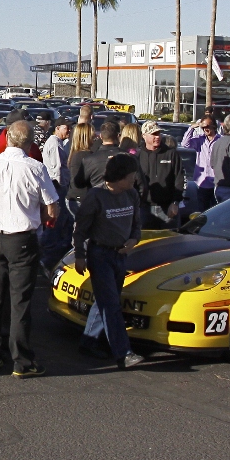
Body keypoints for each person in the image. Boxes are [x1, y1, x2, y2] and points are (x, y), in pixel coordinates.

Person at [0, 119, 59, 378]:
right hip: (21, 239)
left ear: (8, 138)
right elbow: (52, 204)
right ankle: (22, 360)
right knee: (20, 302)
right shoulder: (35, 168)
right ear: (30, 143)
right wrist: (45, 214)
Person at [73, 154, 143, 367]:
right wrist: (79, 255)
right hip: (100, 255)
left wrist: (133, 239)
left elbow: (137, 223)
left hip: (120, 256)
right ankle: (124, 353)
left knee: (104, 301)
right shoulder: (96, 196)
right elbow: (80, 229)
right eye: (131, 175)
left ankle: (88, 341)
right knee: (111, 305)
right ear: (120, 176)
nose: (135, 179)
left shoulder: (131, 194)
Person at [137, 121, 184, 229]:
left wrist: (175, 202)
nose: (157, 137)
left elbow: (179, 179)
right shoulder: (138, 156)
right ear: (144, 136)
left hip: (168, 208)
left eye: (158, 133)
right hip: (144, 209)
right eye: (153, 134)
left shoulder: (171, 154)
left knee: (170, 241)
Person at [40, 117, 73, 269]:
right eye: (66, 127)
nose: (69, 130)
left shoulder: (59, 142)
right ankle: (47, 253)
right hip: (57, 185)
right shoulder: (54, 143)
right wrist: (61, 185)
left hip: (59, 185)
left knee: (62, 219)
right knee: (56, 220)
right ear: (58, 128)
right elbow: (57, 167)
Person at [72, 121, 122, 197]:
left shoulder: (90, 157)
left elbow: (79, 182)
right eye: (93, 135)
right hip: (85, 197)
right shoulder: (86, 157)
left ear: (101, 136)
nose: (95, 136)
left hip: (94, 197)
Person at [183, 115, 219, 211]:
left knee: (217, 211)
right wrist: (192, 128)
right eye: (203, 127)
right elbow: (185, 144)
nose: (205, 129)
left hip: (217, 183)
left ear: (214, 126)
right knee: (203, 211)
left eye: (207, 126)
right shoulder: (200, 140)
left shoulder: (221, 140)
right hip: (202, 183)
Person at [64, 121, 95, 222]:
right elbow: (78, 181)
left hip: (76, 197)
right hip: (80, 198)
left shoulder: (76, 154)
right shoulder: (83, 156)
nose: (95, 137)